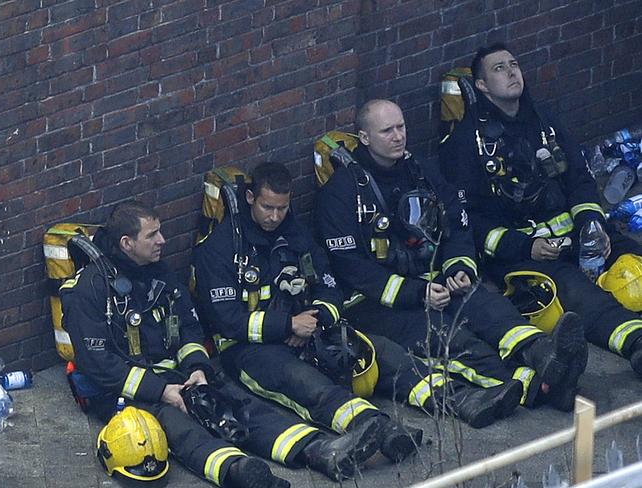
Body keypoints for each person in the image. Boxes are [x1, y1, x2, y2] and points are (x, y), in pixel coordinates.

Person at [60, 201, 388, 487]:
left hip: (179, 376)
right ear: (127, 243)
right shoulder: (87, 291)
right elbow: (98, 364)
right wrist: (161, 391)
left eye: (160, 231)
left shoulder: (158, 274)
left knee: (238, 405)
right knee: (177, 426)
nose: (162, 240)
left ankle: (320, 452)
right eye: (152, 236)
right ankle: (238, 471)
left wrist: (198, 369)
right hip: (125, 390)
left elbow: (188, 329)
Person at [193, 162, 524, 433]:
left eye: (282, 208)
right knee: (305, 383)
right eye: (267, 207)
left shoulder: (296, 234)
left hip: (309, 327)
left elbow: (328, 285)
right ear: (250, 198)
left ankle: (464, 401)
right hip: (251, 348)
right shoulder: (219, 249)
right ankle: (376, 429)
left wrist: (316, 318)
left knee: (384, 354)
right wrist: (287, 325)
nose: (275, 217)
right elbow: (228, 321)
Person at [314, 99, 588, 412]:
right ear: (364, 138)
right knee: (452, 340)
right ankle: (538, 386)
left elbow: (457, 221)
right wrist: (417, 293)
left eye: (401, 127)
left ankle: (542, 352)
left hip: (435, 281)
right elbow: (351, 268)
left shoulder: (421, 170)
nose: (398, 136)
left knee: (489, 308)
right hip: (380, 304)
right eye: (387, 130)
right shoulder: (341, 193)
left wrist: (459, 267)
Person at [439, 43, 642, 376]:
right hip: (525, 254)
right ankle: (636, 343)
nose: (512, 72)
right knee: (582, 298)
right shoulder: (464, 145)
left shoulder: (544, 122)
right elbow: (468, 219)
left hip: (578, 237)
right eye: (499, 68)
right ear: (482, 86)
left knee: (633, 262)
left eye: (514, 64)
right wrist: (525, 246)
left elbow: (579, 178)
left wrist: (592, 223)